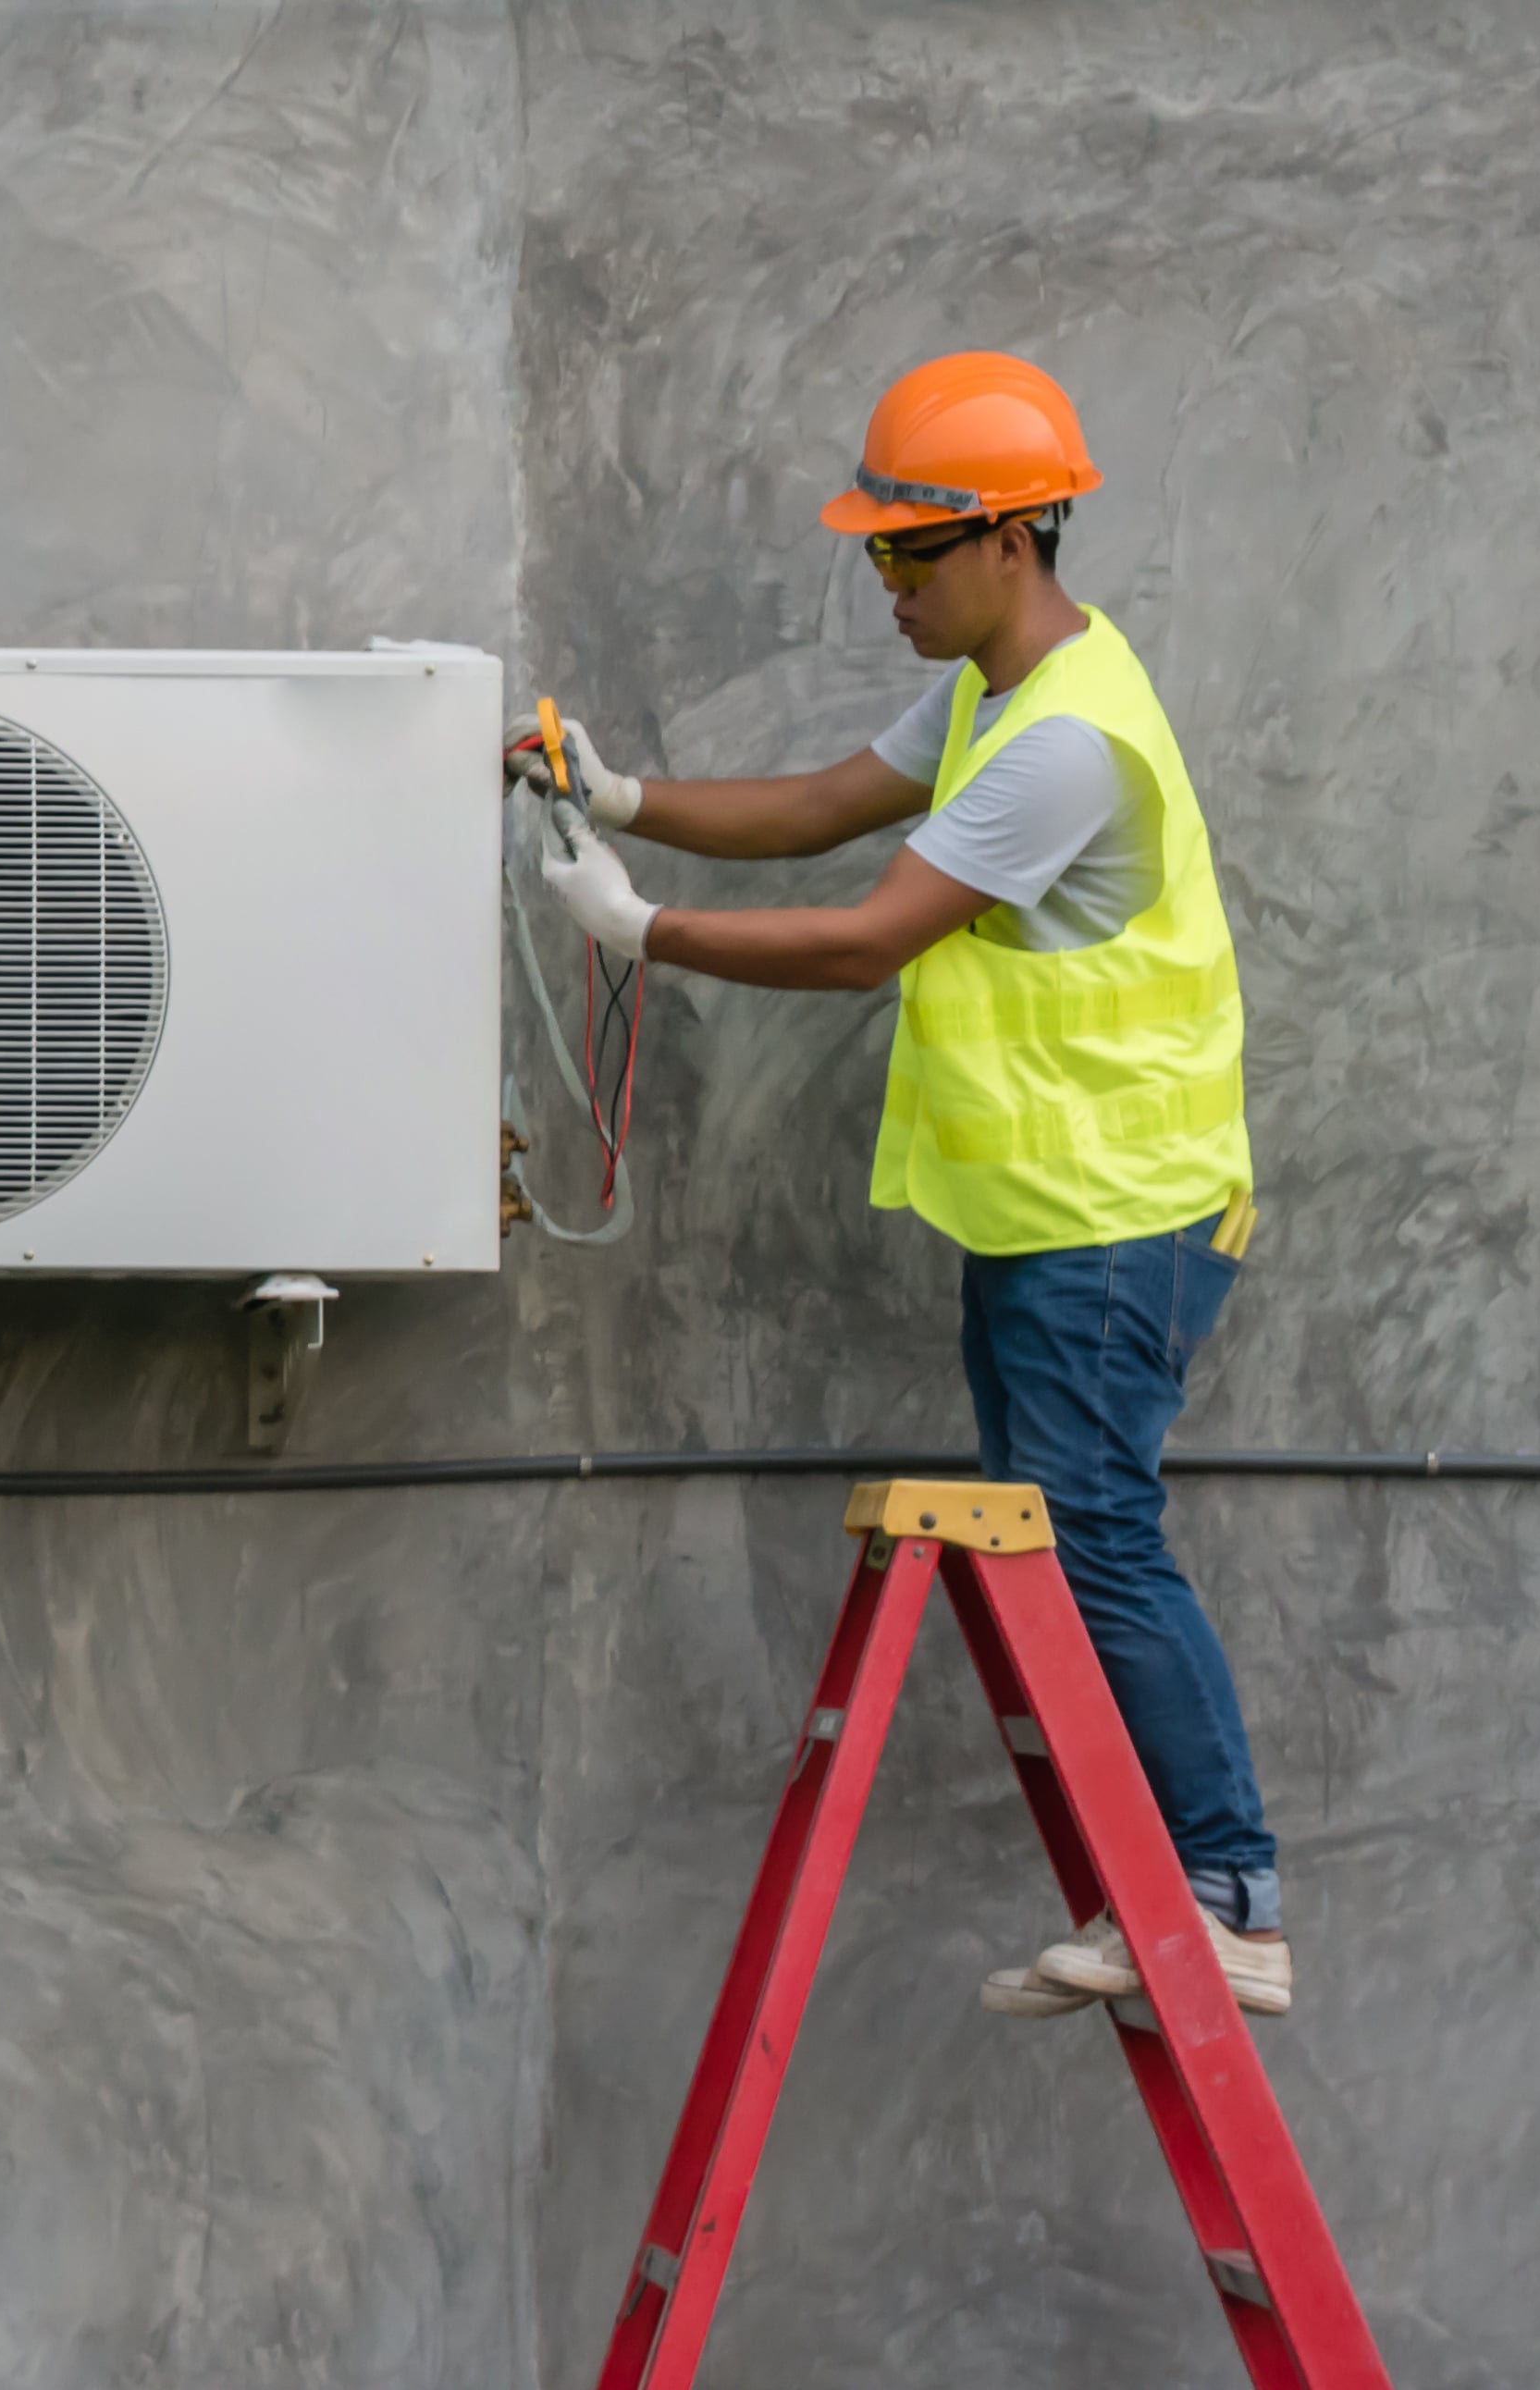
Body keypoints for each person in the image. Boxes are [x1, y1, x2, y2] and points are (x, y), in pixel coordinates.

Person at [522, 351, 1287, 2017]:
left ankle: (1225, 1893)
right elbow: (819, 807)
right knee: (1066, 1541)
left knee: (1095, 1534)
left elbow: (872, 936)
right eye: (874, 552)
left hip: (1118, 1218)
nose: (886, 583)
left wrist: (640, 932)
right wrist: (624, 799)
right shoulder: (994, 693)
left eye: (911, 554)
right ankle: (1152, 1901)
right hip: (1053, 1212)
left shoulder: (1066, 744)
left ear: (1015, 540)